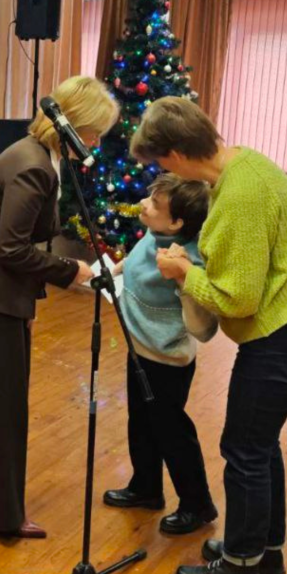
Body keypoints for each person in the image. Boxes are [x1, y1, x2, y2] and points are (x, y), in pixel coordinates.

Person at [131, 97, 287, 574]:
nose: (161, 172)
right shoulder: (245, 164)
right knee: (259, 446)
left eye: (160, 161)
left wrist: (184, 273)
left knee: (243, 450)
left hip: (282, 334)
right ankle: (264, 552)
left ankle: (240, 573)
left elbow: (238, 298)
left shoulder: (239, 193)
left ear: (177, 153)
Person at [0, 76, 117, 539]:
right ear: (73, 125)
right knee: (6, 405)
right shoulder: (34, 166)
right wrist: (71, 270)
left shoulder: (38, 156)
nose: (96, 142)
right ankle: (4, 515)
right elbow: (12, 249)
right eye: (94, 132)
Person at [103, 173, 218, 535]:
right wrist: (113, 270)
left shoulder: (186, 258)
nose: (143, 204)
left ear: (177, 223)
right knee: (140, 421)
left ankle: (197, 505)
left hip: (166, 361)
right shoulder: (155, 234)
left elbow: (202, 325)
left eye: (154, 203)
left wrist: (183, 278)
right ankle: (146, 486)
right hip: (140, 349)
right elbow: (134, 263)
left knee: (171, 432)